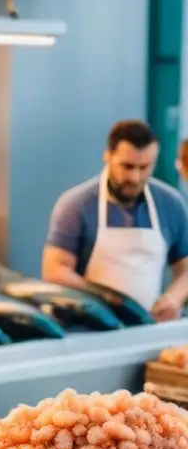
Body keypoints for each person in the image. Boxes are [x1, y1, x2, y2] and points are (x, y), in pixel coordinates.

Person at [42, 119, 188, 321]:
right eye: (127, 167)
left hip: (151, 323)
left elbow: (185, 268)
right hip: (92, 326)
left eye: (144, 167)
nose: (135, 178)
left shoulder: (171, 203)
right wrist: (109, 299)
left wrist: (174, 298)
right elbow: (55, 270)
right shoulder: (76, 204)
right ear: (108, 156)